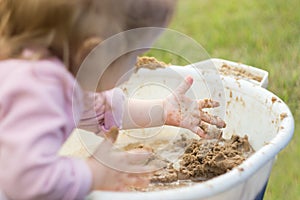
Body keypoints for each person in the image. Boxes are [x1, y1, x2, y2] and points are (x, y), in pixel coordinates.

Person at [0, 0, 225, 199]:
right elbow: (28, 180)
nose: (135, 65)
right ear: (97, 53)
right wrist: (94, 174)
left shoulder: (49, 76)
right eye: (134, 56)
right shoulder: (39, 88)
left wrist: (162, 111)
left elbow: (99, 111)